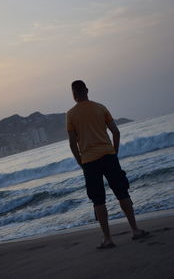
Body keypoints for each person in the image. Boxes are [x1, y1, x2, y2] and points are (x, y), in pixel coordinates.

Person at [66, 80, 148, 249]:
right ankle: (135, 230)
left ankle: (108, 239)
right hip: (108, 156)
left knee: (98, 200)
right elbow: (116, 132)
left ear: (74, 95)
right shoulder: (100, 108)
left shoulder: (71, 115)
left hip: (89, 161)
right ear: (87, 90)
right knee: (122, 192)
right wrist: (114, 151)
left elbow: (73, 144)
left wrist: (80, 161)